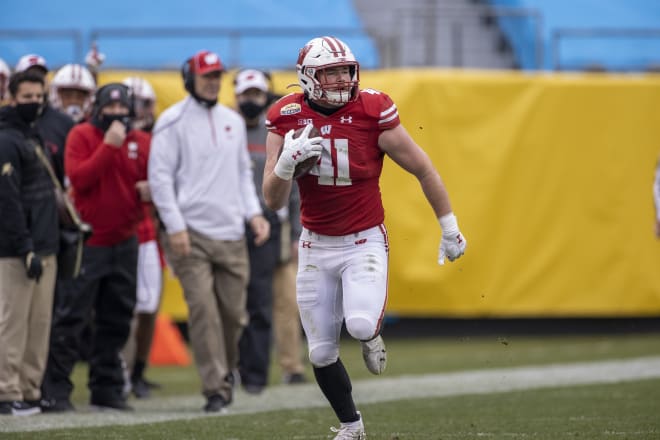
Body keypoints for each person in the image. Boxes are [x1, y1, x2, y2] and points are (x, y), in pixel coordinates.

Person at [262, 36, 467, 439]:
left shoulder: (372, 110)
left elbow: (423, 168)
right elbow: (271, 201)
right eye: (330, 72)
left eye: (345, 70)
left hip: (362, 240)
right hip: (314, 242)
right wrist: (285, 164)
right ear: (307, 77)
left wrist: (449, 226)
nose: (341, 79)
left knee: (357, 325)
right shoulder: (285, 115)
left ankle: (372, 334)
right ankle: (352, 426)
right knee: (320, 352)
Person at [148, 50, 269, 413]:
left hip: (231, 233)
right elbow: (160, 179)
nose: (214, 82)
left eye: (217, 75)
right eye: (207, 76)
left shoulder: (231, 121)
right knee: (203, 310)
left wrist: (254, 215)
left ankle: (226, 370)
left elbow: (242, 176)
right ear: (190, 79)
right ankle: (215, 388)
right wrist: (175, 226)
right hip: (191, 234)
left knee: (234, 316)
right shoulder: (171, 122)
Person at [40, 83, 151, 412]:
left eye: (122, 109)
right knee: (71, 317)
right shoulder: (81, 136)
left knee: (116, 318)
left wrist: (150, 191)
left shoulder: (143, 141)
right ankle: (56, 389)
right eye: (109, 109)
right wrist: (108, 147)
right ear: (97, 109)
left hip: (125, 240)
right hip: (88, 241)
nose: (116, 115)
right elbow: (79, 178)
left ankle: (107, 388)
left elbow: (153, 182)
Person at [233, 69, 307, 390]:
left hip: (275, 226)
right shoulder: (227, 129)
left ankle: (291, 366)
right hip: (234, 229)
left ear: (266, 95)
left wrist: (296, 232)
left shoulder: (276, 129)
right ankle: (237, 368)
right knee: (239, 303)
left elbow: (293, 187)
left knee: (284, 302)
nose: (251, 101)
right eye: (245, 95)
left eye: (256, 94)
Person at [0, 71, 59, 416]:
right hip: (15, 251)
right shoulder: (8, 140)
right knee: (13, 321)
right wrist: (25, 247)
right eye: (28, 97)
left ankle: (29, 389)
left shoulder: (31, 135)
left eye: (39, 97)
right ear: (12, 97)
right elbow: (6, 200)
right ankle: (6, 393)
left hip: (44, 245)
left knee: (38, 323)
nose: (34, 103)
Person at [121, 75, 162, 398]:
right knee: (120, 306)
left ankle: (136, 371)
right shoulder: (108, 136)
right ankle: (118, 372)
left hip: (152, 231)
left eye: (144, 102)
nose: (138, 109)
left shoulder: (157, 138)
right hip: (118, 232)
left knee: (148, 305)